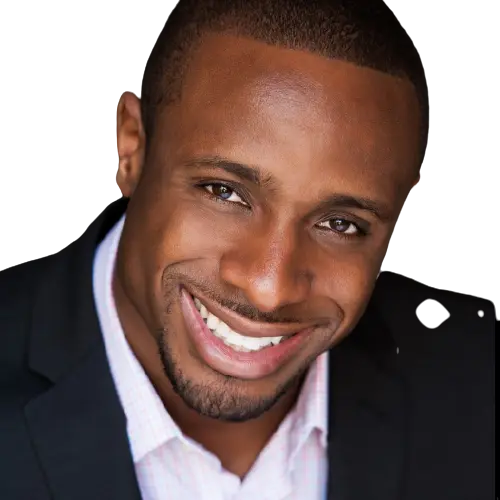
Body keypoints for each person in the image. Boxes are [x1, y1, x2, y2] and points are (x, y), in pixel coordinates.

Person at [0, 1, 494, 499]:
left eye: (339, 224)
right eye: (224, 193)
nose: (268, 289)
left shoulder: (478, 389)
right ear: (131, 146)